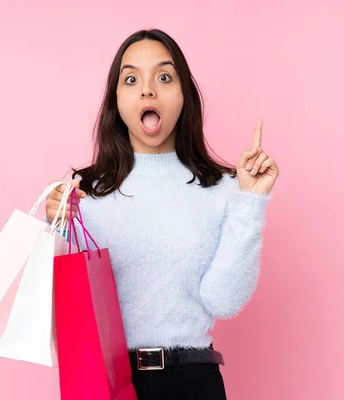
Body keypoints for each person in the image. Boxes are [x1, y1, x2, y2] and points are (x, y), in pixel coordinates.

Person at [45, 28, 279, 400]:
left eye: (164, 77)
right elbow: (59, 308)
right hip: (107, 382)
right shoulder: (83, 191)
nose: (147, 90)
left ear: (184, 95)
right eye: (132, 78)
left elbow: (224, 301)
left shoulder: (224, 187)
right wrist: (51, 222)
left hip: (193, 381)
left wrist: (251, 202)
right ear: (116, 99)